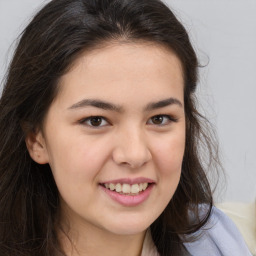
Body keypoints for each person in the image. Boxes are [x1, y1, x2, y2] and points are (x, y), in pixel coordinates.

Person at [0, 0, 252, 255]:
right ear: (36, 139)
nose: (135, 154)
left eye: (159, 119)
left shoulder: (219, 243)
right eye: (96, 121)